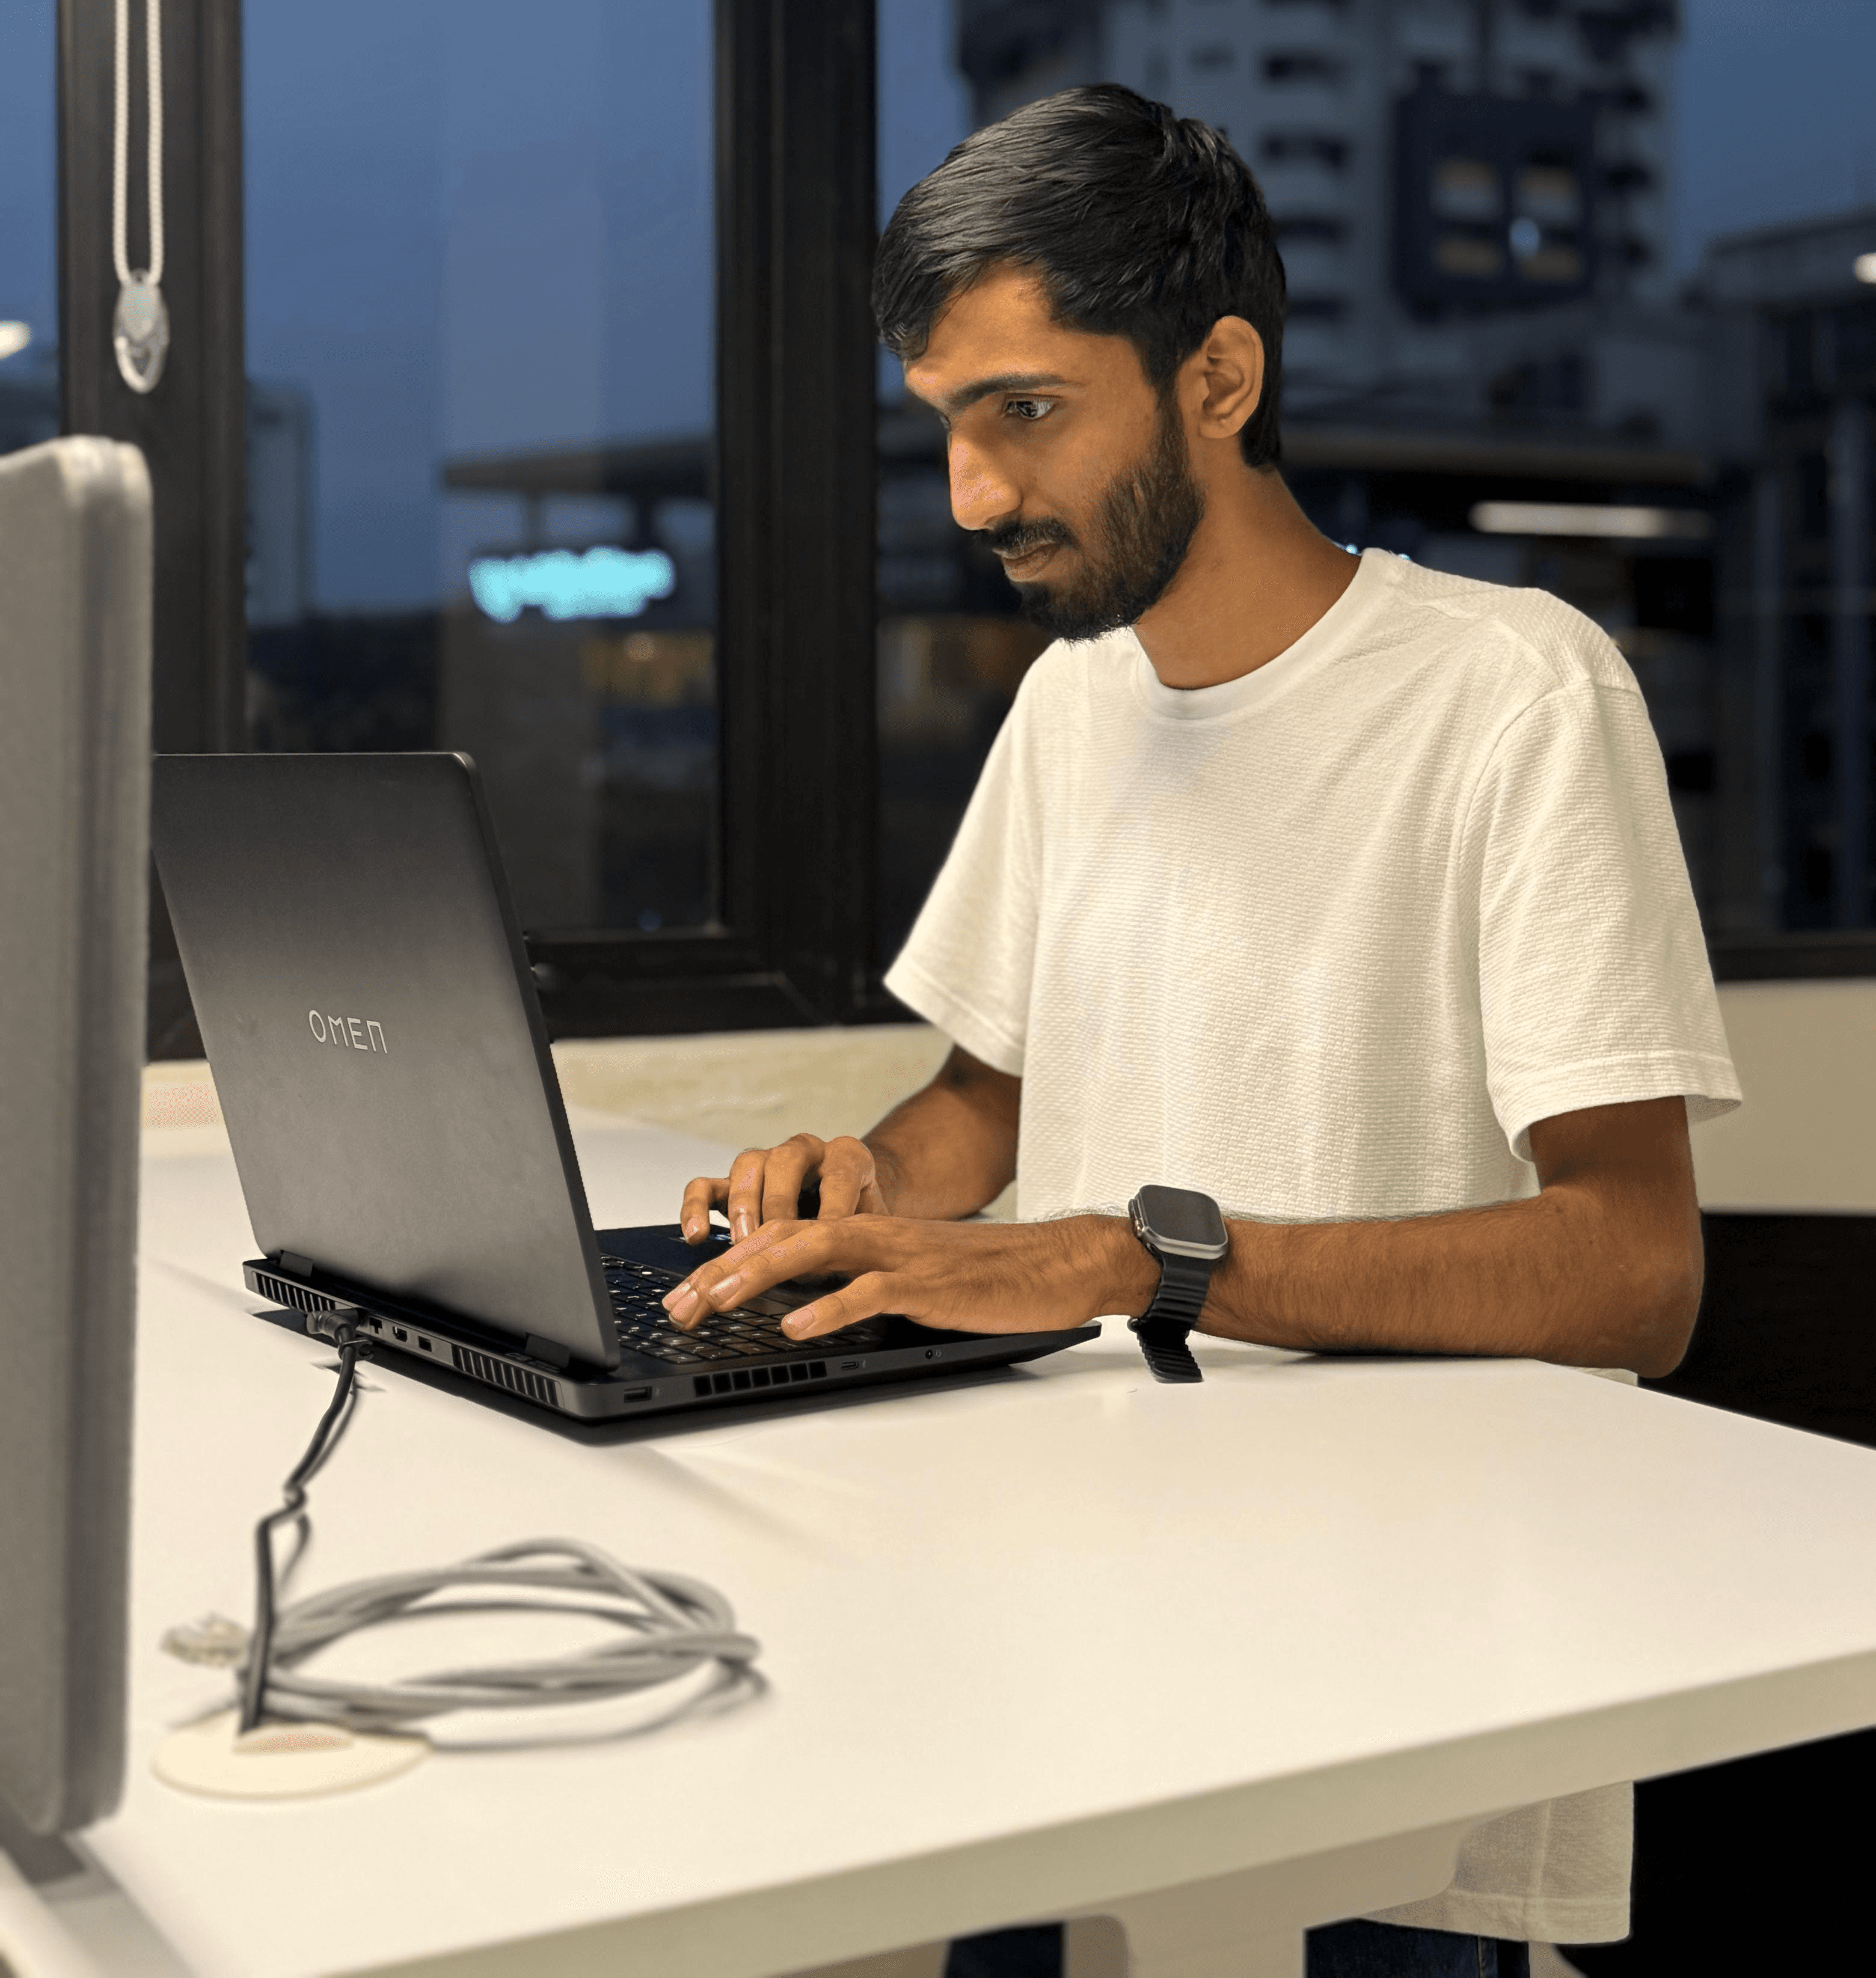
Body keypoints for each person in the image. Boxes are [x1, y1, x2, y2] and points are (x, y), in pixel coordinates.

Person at [664, 85, 1739, 1978]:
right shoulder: (1077, 708)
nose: (977, 496)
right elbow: (987, 1096)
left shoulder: (1516, 695)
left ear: (1218, 378)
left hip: (1408, 1674)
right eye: (950, 430)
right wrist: (867, 1185)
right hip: (1067, 1604)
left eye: (1030, 411)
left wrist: (1133, 1263)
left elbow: (1635, 1272)